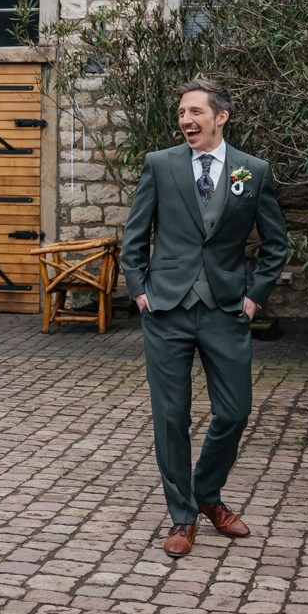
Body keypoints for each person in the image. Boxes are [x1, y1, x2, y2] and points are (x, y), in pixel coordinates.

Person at [121, 78, 288, 558]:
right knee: (171, 417)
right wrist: (139, 292)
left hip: (226, 310)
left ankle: (206, 493)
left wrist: (256, 296)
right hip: (167, 310)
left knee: (234, 411)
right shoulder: (160, 165)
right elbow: (135, 235)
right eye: (181, 113)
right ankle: (182, 517)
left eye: (195, 112)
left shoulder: (252, 172)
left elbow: (275, 243)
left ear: (221, 117)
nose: (186, 121)